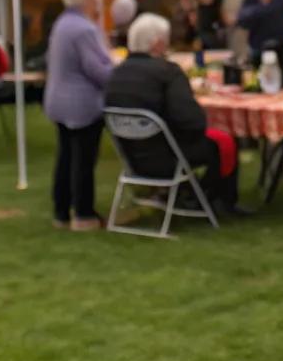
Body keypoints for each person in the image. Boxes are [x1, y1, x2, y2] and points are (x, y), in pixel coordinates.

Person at [103, 13, 244, 215]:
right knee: (224, 142)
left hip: (133, 157)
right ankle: (216, 200)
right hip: (167, 156)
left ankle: (191, 195)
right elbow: (192, 121)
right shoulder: (168, 72)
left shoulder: (116, 74)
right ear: (158, 43)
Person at [43, 0, 115, 232]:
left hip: (58, 100)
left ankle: (61, 212)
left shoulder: (62, 24)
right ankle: (83, 214)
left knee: (65, 157)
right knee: (83, 160)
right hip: (82, 103)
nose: (100, 0)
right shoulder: (84, 29)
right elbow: (97, 70)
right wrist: (116, 69)